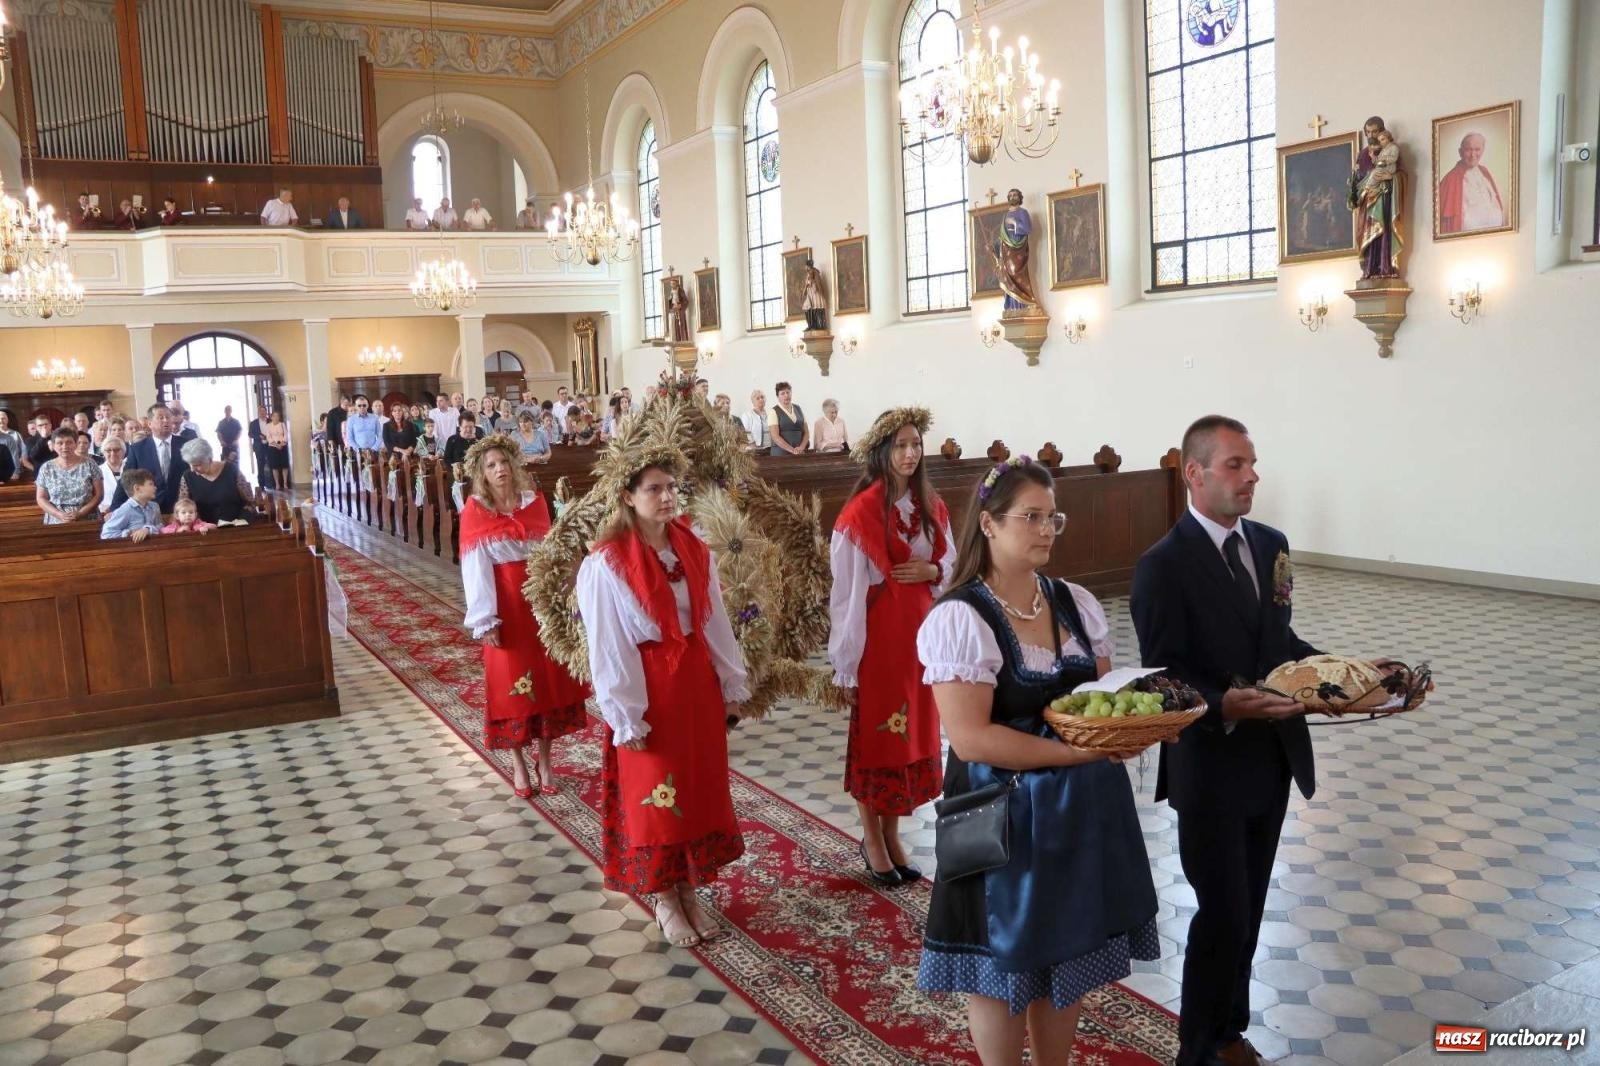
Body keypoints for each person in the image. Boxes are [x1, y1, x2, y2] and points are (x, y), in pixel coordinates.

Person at [1131, 416, 1385, 1066]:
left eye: (1252, 464)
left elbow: (1283, 648)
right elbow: (1162, 674)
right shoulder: (1163, 566)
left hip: (1271, 759)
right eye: (1235, 465)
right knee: (1221, 915)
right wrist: (1222, 703)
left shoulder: (1272, 545)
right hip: (1209, 765)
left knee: (1251, 909)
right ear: (1195, 473)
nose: (1251, 476)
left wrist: (1348, 674)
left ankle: (1230, 1031)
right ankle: (1195, 1050)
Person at [916, 457, 1157, 1066]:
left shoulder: (1074, 603)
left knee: (1067, 955)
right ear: (990, 525)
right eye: (1032, 517)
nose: (1047, 529)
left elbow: (1100, 701)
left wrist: (1135, 728)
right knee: (1002, 966)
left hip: (1079, 810)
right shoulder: (961, 617)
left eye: (1054, 518)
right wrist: (1075, 753)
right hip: (1002, 819)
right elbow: (970, 739)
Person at [574, 452, 750, 948]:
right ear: (628, 496)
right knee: (658, 792)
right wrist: (627, 716)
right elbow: (608, 644)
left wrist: (731, 685)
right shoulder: (606, 562)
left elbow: (714, 622)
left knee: (694, 787)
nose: (667, 496)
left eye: (672, 486)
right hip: (648, 687)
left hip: (695, 683)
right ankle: (664, 897)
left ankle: (689, 889)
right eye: (654, 488)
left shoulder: (694, 549)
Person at [830, 408, 955, 884]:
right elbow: (846, 595)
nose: (909, 453)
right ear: (883, 451)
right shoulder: (860, 512)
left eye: (915, 444)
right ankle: (872, 837)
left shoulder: (931, 504)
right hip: (879, 641)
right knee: (879, 738)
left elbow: (951, 561)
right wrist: (845, 662)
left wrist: (933, 571)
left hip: (922, 639)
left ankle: (894, 831)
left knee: (912, 738)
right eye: (901, 445)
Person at [459, 434, 591, 797]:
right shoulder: (475, 510)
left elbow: (552, 556)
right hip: (505, 608)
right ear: (482, 475)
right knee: (511, 686)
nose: (500, 469)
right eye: (491, 465)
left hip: (540, 606)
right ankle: (518, 763)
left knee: (548, 683)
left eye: (504, 462)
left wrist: (566, 603)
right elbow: (475, 567)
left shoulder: (535, 502)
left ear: (514, 466)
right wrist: (485, 619)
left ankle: (545, 760)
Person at [1348, 116, 1403, 279]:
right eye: (1368, 132)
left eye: (1375, 131)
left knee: (1383, 231)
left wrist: (1391, 178)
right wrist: (1354, 193)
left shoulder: (1391, 149)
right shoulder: (1363, 154)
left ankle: (1385, 267)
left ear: (1382, 132)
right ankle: (1369, 268)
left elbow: (1401, 175)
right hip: (1366, 201)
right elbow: (1356, 178)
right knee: (1366, 234)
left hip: (1384, 198)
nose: (1371, 135)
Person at [112, 404, 187, 513]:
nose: (165, 420)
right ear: (150, 423)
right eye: (160, 417)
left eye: (168, 417)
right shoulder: (138, 449)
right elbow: (126, 479)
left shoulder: (186, 444)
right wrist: (115, 508)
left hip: (181, 508)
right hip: (149, 507)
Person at [1437, 130, 1506, 235]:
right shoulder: (1450, 179)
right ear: (1460, 152)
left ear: (1483, 150)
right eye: (1468, 150)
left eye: (1477, 149)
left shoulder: (1484, 172)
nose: (1473, 154)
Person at [35, 425, 103, 524]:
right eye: (60, 443)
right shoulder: (46, 468)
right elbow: (41, 498)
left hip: (88, 518)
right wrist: (58, 514)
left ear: (75, 444)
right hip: (56, 520)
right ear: (53, 446)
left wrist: (80, 513)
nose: (64, 447)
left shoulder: (90, 464)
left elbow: (99, 495)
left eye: (69, 442)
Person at [178, 438, 255, 524]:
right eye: (190, 465)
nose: (192, 469)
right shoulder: (187, 477)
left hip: (236, 527)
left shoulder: (231, 470)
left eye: (197, 465)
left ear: (209, 459)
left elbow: (250, 503)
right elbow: (182, 508)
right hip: (204, 531)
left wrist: (242, 521)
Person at [992, 188, 1040, 310]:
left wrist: (1014, 223)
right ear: (1008, 198)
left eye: (1015, 195)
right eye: (1011, 195)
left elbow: (1027, 229)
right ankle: (1011, 306)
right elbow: (1003, 236)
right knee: (1007, 275)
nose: (1013, 197)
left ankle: (1023, 303)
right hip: (1006, 250)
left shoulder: (1022, 212)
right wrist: (994, 246)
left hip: (1018, 250)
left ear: (1019, 198)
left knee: (1015, 272)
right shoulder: (1005, 215)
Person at [101, 469, 163, 542]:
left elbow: (161, 526)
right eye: (151, 484)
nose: (155, 487)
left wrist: (148, 529)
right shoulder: (126, 509)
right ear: (137, 488)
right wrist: (129, 532)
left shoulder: (154, 506)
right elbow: (106, 534)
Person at [766, 382, 808, 456]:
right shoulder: (774, 412)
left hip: (799, 453)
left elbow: (806, 432)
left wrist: (801, 447)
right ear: (778, 396)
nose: (786, 395)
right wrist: (792, 450)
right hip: (781, 454)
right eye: (782, 393)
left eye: (788, 392)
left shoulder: (798, 409)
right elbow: (775, 436)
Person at [97, 436, 129, 511]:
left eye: (117, 450)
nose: (113, 453)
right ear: (103, 453)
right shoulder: (97, 470)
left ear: (124, 452)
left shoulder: (131, 469)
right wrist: (101, 508)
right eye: (108, 450)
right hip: (104, 513)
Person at [262, 411, 290, 491]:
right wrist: (276, 445)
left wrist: (282, 443)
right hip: (273, 447)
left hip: (282, 446)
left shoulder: (282, 424)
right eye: (274, 416)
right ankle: (277, 483)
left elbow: (286, 435)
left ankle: (285, 483)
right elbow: (268, 437)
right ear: (271, 417)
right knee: (275, 466)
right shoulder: (268, 426)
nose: (276, 417)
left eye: (277, 416)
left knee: (284, 465)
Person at [801, 258, 828, 332]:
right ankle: (811, 325)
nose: (806, 268)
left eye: (806, 266)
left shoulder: (815, 272)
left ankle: (817, 325)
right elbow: (806, 287)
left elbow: (817, 286)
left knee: (816, 309)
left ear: (808, 266)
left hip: (815, 295)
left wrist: (812, 282)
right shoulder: (808, 275)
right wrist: (807, 286)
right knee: (807, 308)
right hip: (810, 295)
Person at [248, 406, 268, 489]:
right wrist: (259, 436)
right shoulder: (253, 423)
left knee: (271, 464)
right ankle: (261, 485)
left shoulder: (270, 421)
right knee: (260, 465)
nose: (262, 413)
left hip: (269, 446)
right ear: (258, 413)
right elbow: (250, 434)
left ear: (266, 412)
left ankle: (272, 483)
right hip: (259, 446)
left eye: (264, 411)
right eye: (261, 411)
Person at [0, 410, 24, 478]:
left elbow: (21, 452)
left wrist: (16, 470)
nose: (1, 421)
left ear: (7, 420)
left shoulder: (15, 435)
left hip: (11, 470)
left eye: (3, 418)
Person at [666, 276, 691, 343]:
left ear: (677, 283)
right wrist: (672, 306)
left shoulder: (680, 291)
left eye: (673, 283)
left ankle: (683, 341)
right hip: (674, 312)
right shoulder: (671, 292)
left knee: (681, 326)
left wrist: (680, 305)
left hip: (680, 312)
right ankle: (677, 341)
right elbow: (670, 303)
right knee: (675, 327)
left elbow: (686, 301)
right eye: (671, 284)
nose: (672, 285)